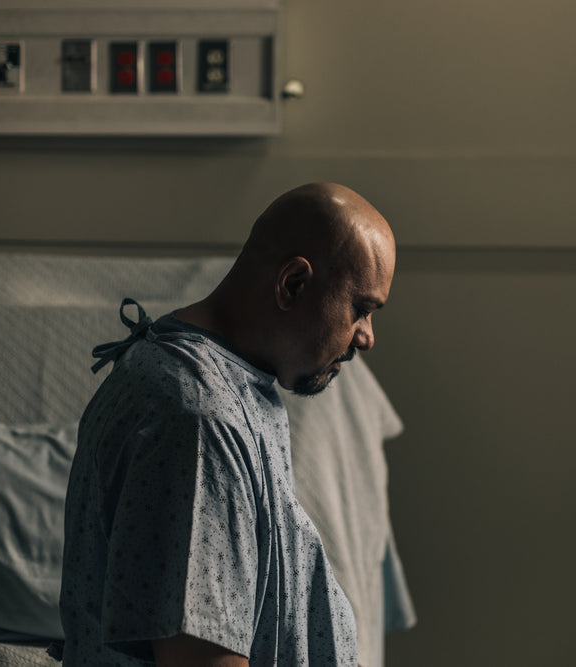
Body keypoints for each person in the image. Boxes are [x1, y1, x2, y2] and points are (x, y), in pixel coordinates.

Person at [58, 183, 396, 666]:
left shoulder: (226, 383)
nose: (366, 336)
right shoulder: (198, 422)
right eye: (361, 308)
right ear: (293, 285)